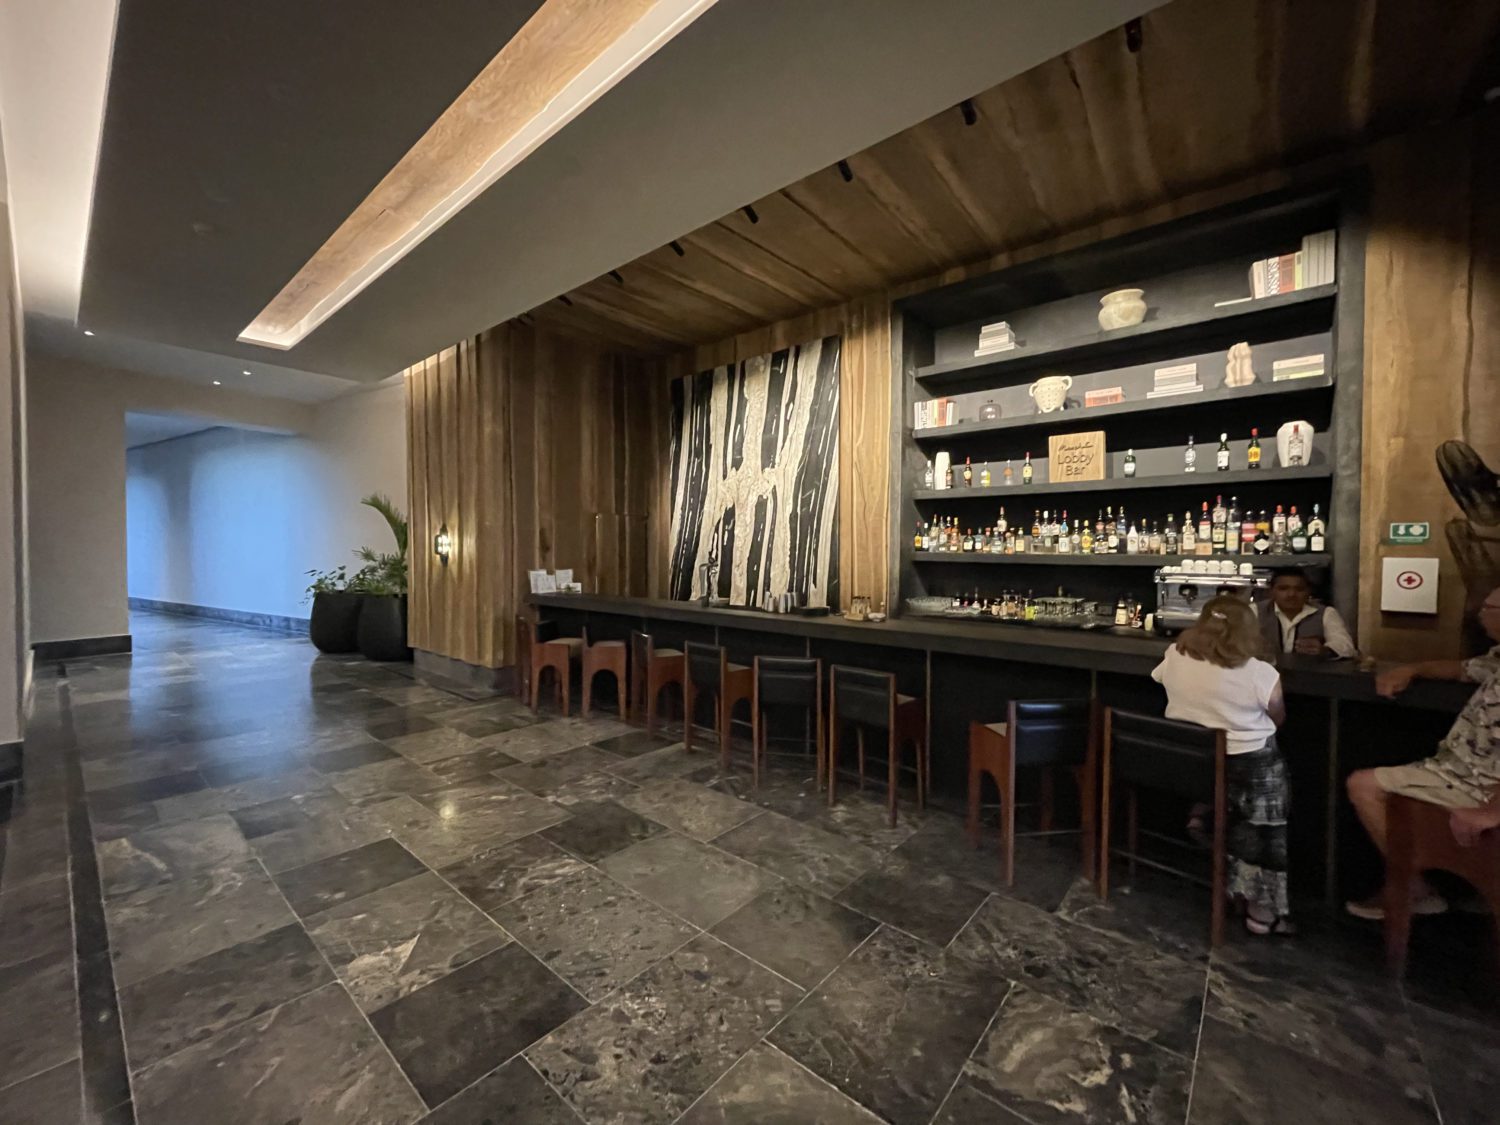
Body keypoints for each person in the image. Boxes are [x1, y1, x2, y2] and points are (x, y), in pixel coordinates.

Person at [1344, 584, 1500, 919]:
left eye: (1488, 609)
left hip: (1476, 785)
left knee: (1364, 785)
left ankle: (1415, 888)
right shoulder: (1497, 659)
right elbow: (1460, 669)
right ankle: (1424, 886)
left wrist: (1491, 811)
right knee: (1366, 782)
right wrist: (1412, 669)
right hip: (1454, 771)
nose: (1480, 615)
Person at [1152, 594, 1292, 935]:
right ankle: (1260, 911)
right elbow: (1278, 717)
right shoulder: (1261, 672)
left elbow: (1159, 678)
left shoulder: (1175, 654)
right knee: (1265, 822)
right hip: (1246, 769)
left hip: (1187, 764)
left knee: (1227, 787)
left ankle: (1203, 813)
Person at [1258, 570, 1358, 658]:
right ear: (1271, 591)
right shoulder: (1255, 611)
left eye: (1299, 589)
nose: (1291, 594)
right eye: (1283, 588)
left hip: (1311, 673)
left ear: (1309, 592)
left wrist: (1324, 650)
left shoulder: (1326, 613)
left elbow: (1347, 647)